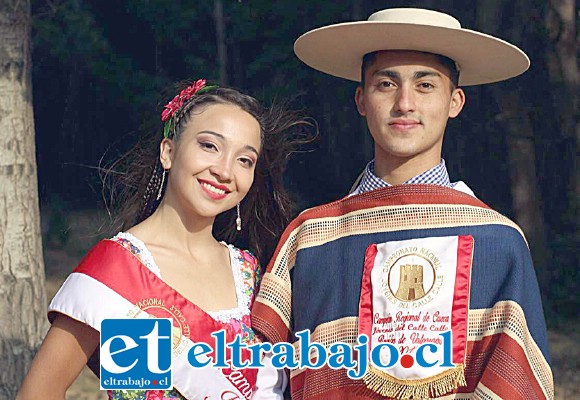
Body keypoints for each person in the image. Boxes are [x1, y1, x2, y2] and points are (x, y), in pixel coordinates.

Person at [252, 8, 554, 400]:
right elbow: (263, 381)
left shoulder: (499, 241)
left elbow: (516, 383)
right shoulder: (309, 238)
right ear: (361, 99)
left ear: (455, 101)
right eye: (386, 84)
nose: (405, 103)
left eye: (425, 85)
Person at [17, 79, 307, 399]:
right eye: (209, 146)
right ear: (168, 152)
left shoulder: (250, 272)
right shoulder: (120, 273)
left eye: (245, 160)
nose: (225, 171)